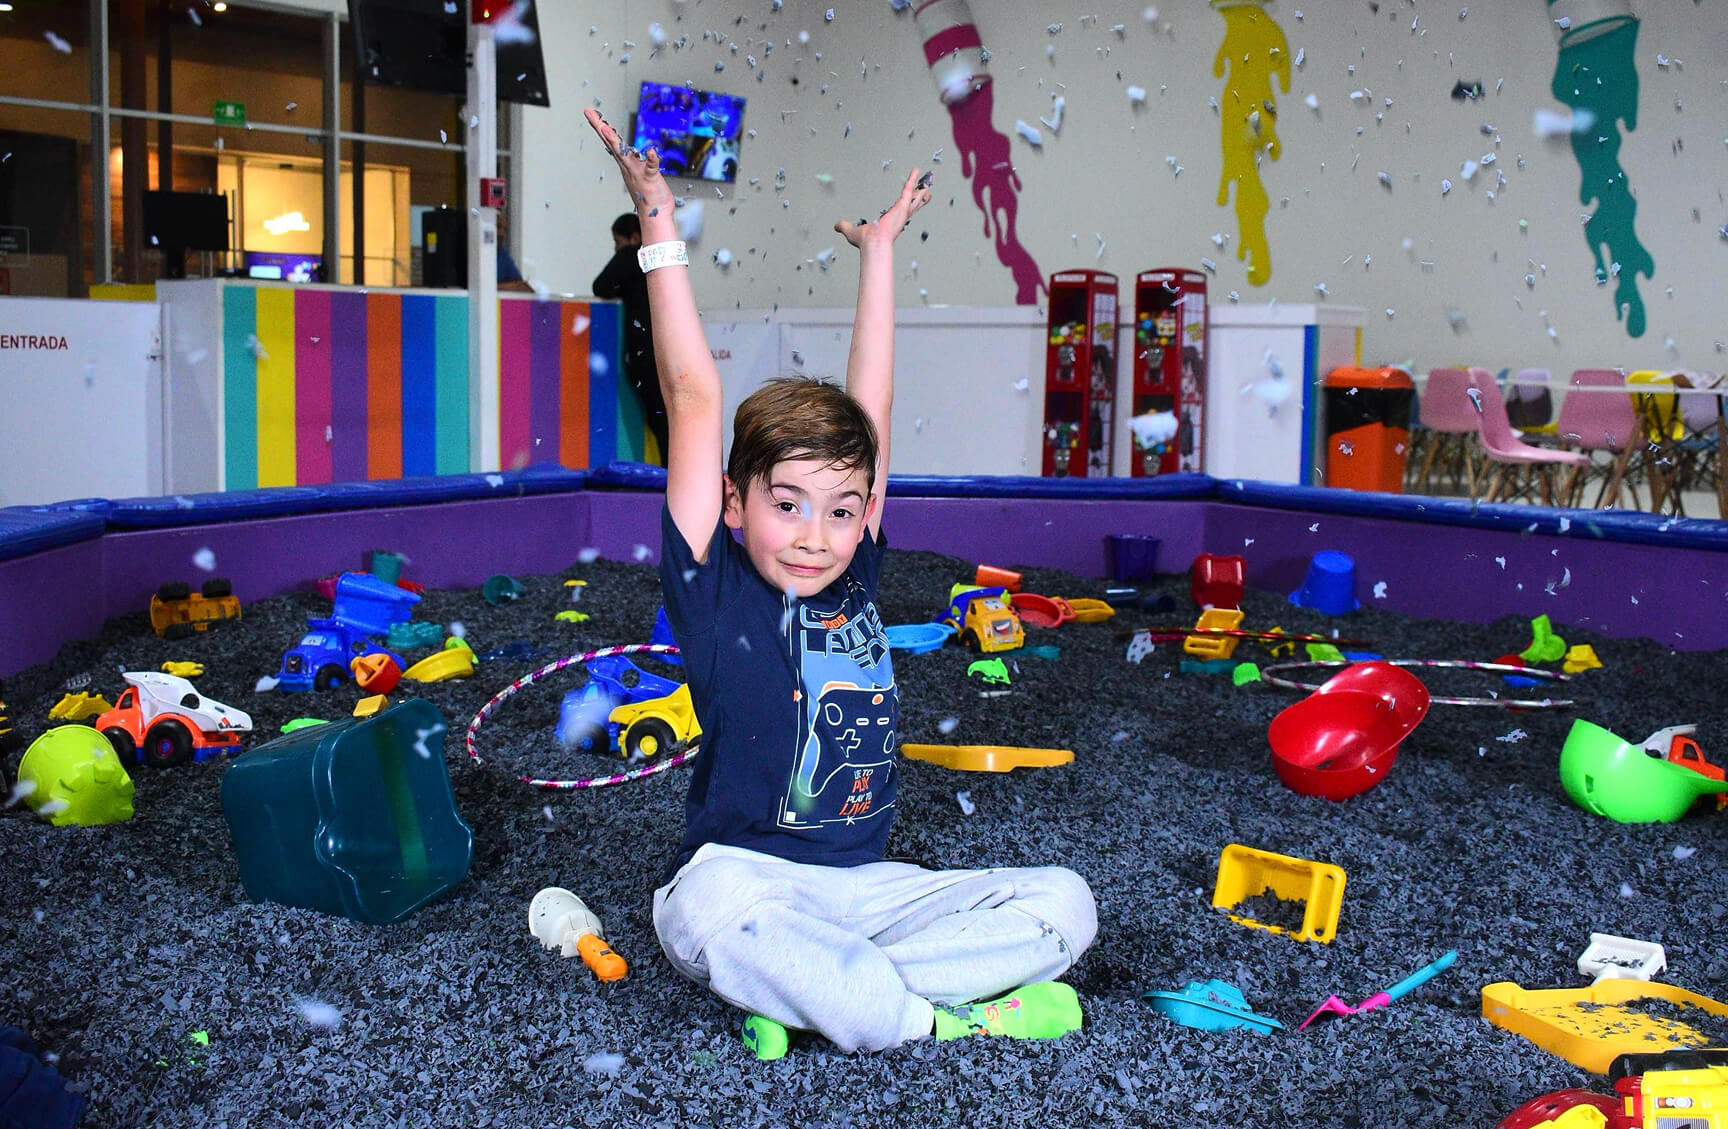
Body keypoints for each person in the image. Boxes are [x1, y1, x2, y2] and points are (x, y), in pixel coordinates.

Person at [582, 107, 1097, 1057]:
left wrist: (880, 254)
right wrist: (658, 224)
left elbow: (873, 406)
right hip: (741, 881)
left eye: (841, 509)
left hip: (868, 890)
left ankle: (856, 1000)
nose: (815, 536)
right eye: (787, 505)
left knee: (1068, 903)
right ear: (734, 504)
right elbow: (694, 394)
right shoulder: (714, 578)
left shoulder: (858, 570)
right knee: (709, 913)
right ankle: (921, 1013)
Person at [591, 212, 668, 465]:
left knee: (660, 419)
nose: (616, 248)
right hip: (667, 346)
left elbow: (601, 286)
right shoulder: (662, 259)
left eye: (617, 241)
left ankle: (670, 474)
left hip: (644, 350)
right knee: (669, 416)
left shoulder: (632, 254)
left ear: (634, 237)